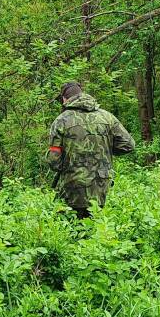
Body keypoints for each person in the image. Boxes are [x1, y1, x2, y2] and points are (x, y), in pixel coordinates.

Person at [45, 82, 135, 219]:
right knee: (98, 229)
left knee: (72, 230)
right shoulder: (107, 117)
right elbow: (128, 145)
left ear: (64, 98)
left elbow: (54, 161)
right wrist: (105, 152)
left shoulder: (61, 121)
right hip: (101, 184)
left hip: (72, 186)